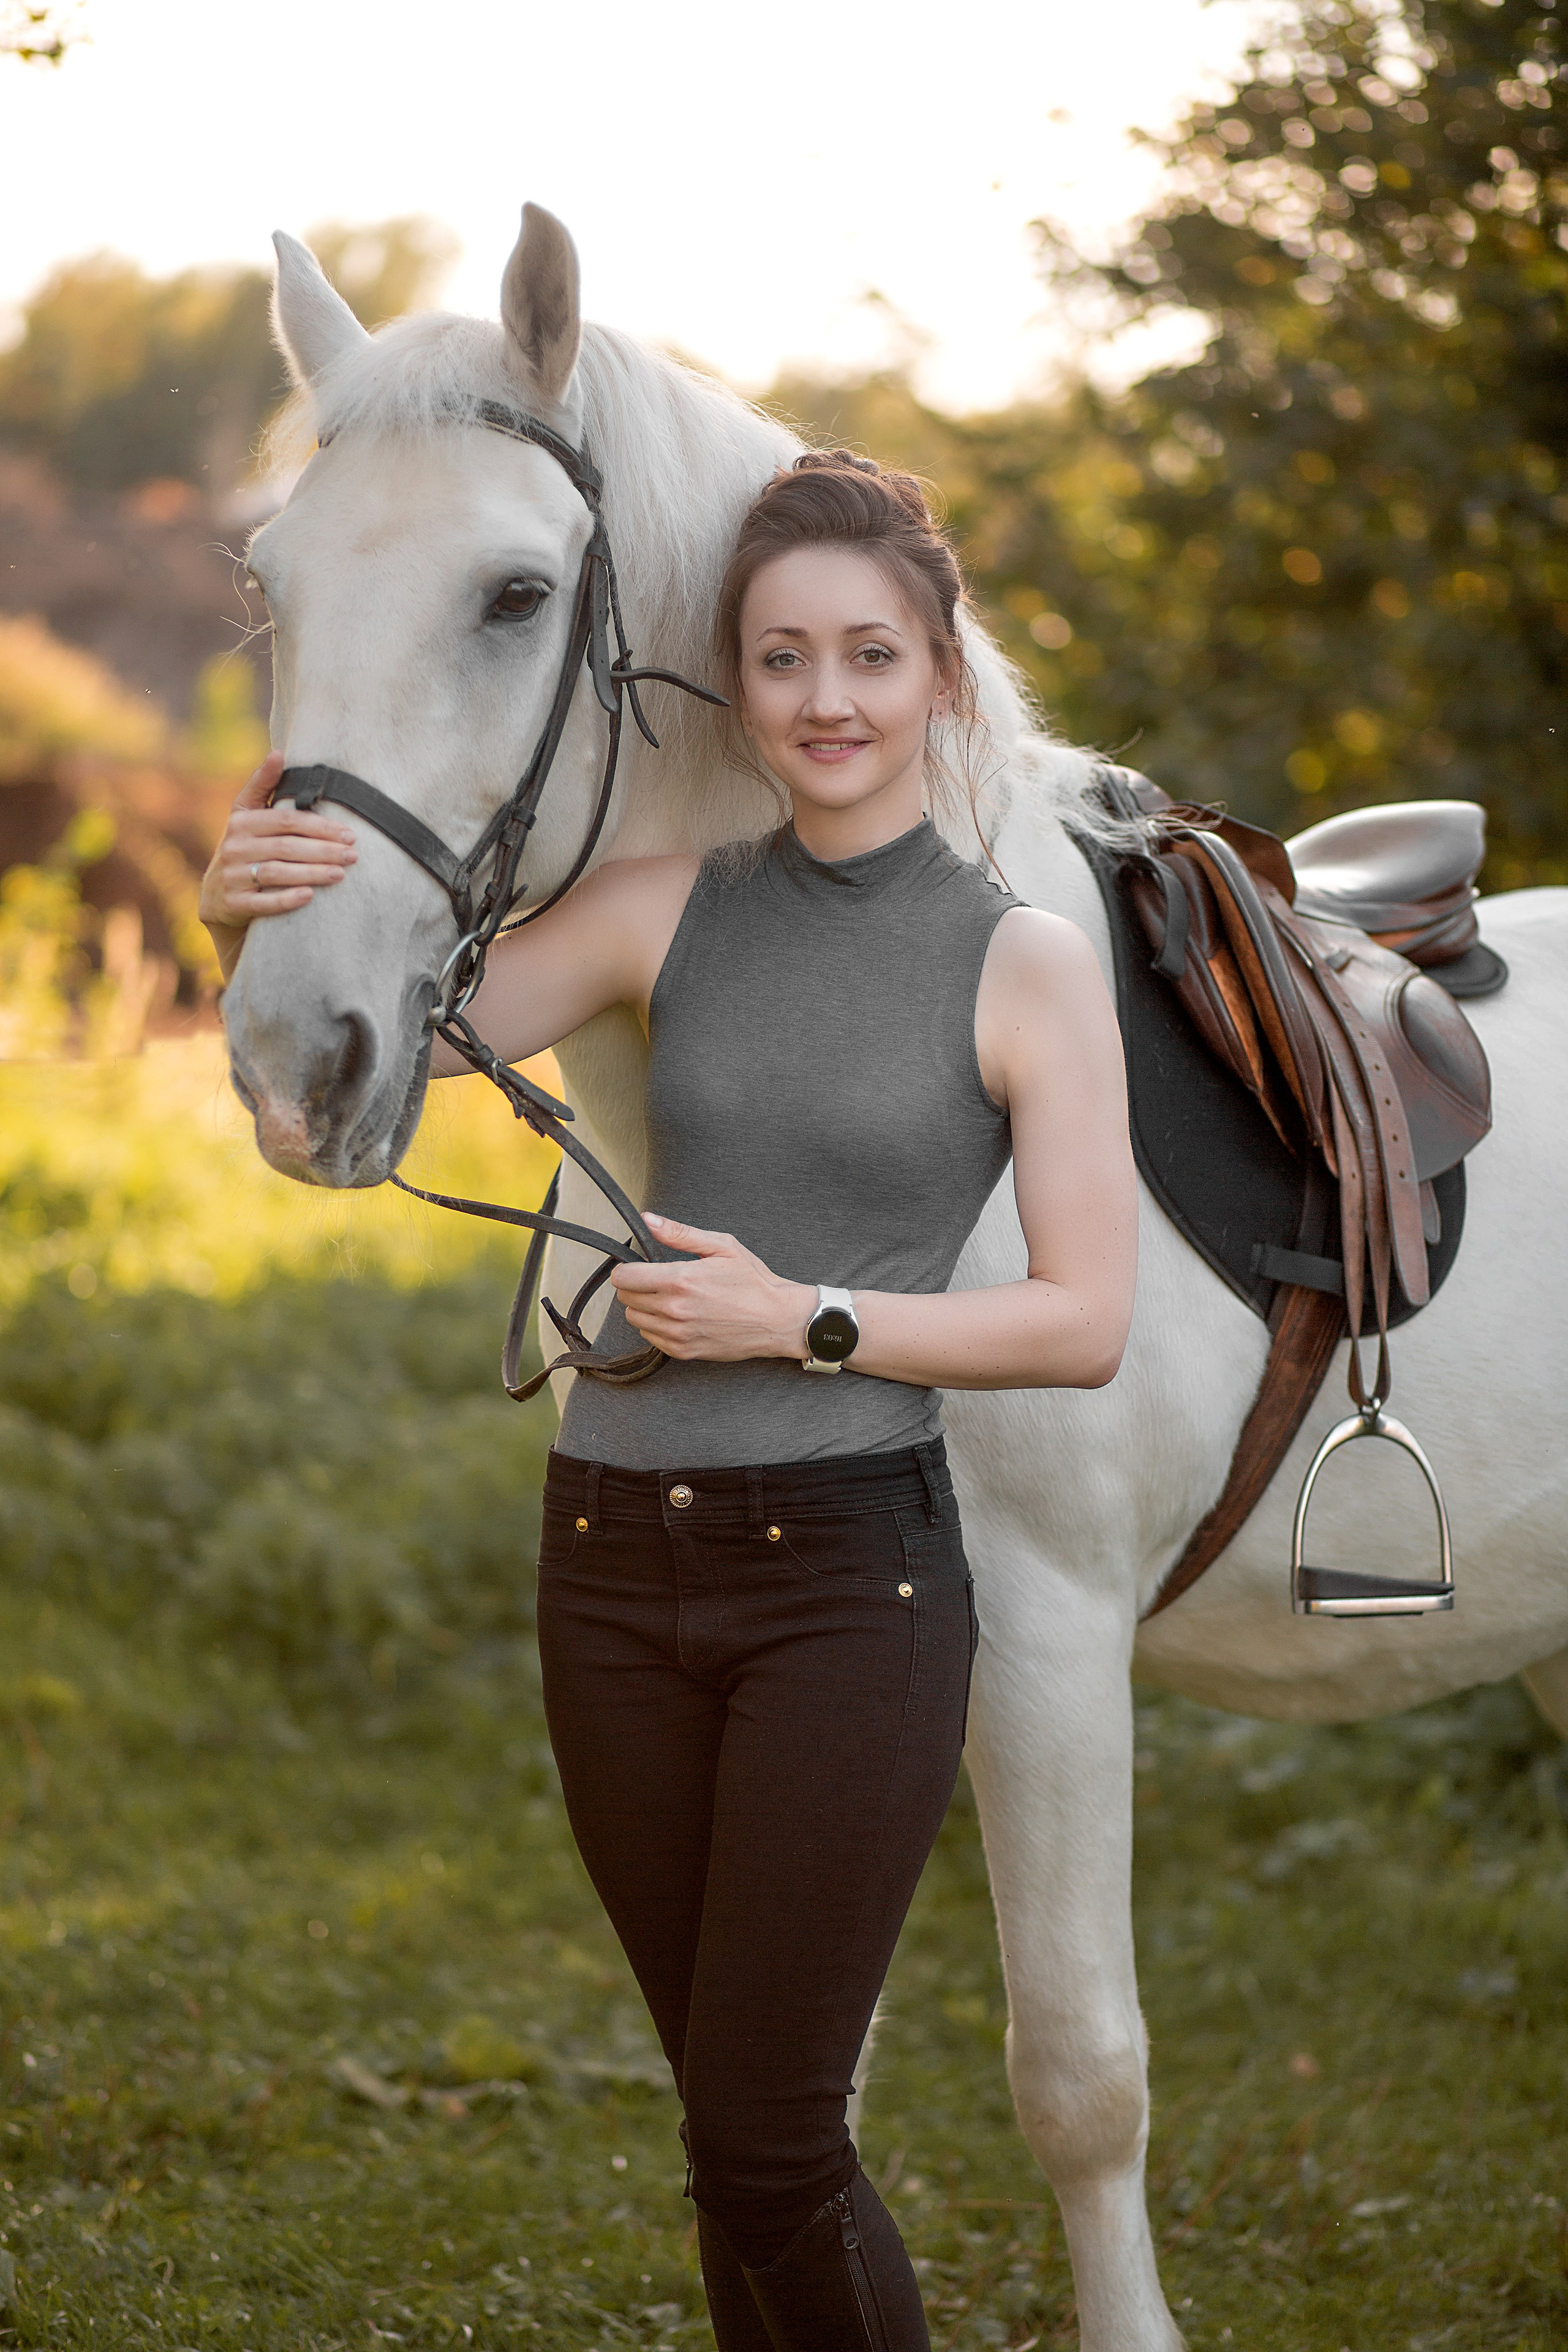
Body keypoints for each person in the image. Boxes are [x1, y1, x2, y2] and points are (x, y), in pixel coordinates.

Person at [201, 453, 1138, 2351]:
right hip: (612, 1569)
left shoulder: (1026, 963)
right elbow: (386, 1057)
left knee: (778, 2137)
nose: (826, 699)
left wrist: (807, 1321)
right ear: (736, 683)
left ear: (942, 674)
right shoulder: (658, 910)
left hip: (845, 1584)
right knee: (728, 2140)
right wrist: (258, 890)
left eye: (872, 654)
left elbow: (1083, 1319)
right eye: (781, 658)